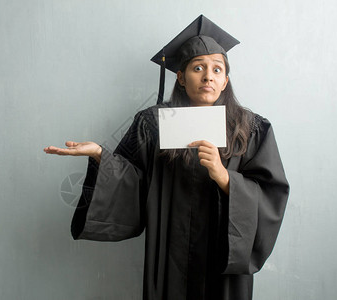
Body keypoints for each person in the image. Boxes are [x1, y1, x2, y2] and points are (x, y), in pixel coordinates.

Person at [44, 15, 289, 300]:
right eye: (198, 68)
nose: (208, 76)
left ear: (225, 81)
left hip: (223, 264)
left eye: (217, 69)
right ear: (181, 77)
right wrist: (101, 156)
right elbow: (132, 182)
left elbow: (271, 195)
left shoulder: (250, 129)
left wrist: (226, 179)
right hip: (169, 257)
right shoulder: (152, 125)